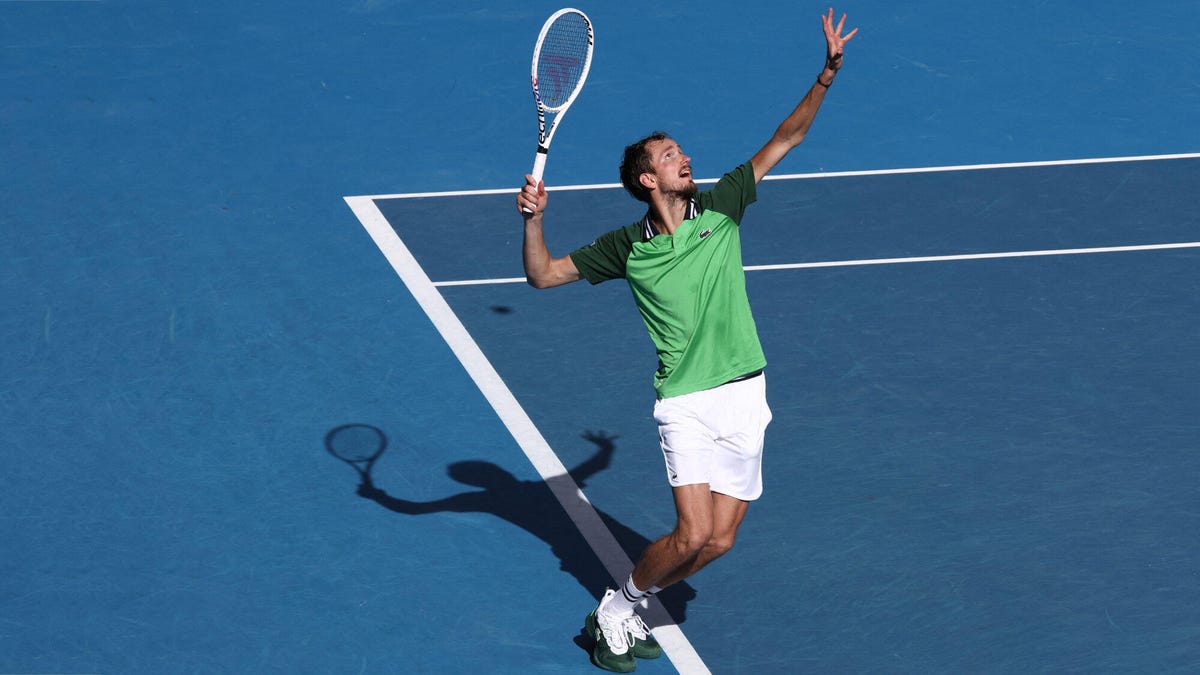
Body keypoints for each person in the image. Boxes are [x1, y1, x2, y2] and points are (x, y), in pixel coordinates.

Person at [516, 8, 857, 673]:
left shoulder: (723, 205)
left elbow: (784, 139)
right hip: (686, 401)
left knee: (720, 541)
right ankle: (618, 607)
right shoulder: (625, 248)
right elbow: (541, 275)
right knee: (692, 531)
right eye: (671, 156)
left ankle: (631, 600)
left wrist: (824, 76)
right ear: (648, 179)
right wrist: (535, 220)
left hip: (746, 391)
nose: (685, 159)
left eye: (681, 153)